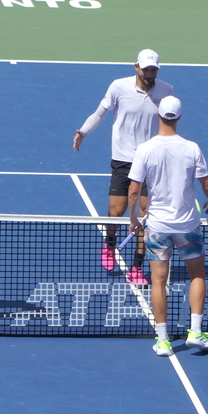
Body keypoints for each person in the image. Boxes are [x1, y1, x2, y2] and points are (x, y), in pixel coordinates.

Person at [73, 49, 174, 285]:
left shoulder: (167, 91)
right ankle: (109, 245)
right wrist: (83, 132)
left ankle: (137, 267)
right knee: (116, 212)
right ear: (136, 67)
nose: (150, 73)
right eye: (146, 69)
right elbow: (100, 114)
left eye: (154, 69)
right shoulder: (118, 87)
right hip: (123, 160)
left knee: (146, 216)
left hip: (151, 161)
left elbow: (169, 123)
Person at [127, 96, 208, 355]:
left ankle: (164, 340)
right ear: (179, 117)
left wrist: (133, 219)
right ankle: (196, 333)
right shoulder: (192, 148)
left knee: (158, 282)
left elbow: (134, 189)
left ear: (159, 115)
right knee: (197, 276)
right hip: (187, 226)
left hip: (157, 226)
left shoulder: (145, 149)